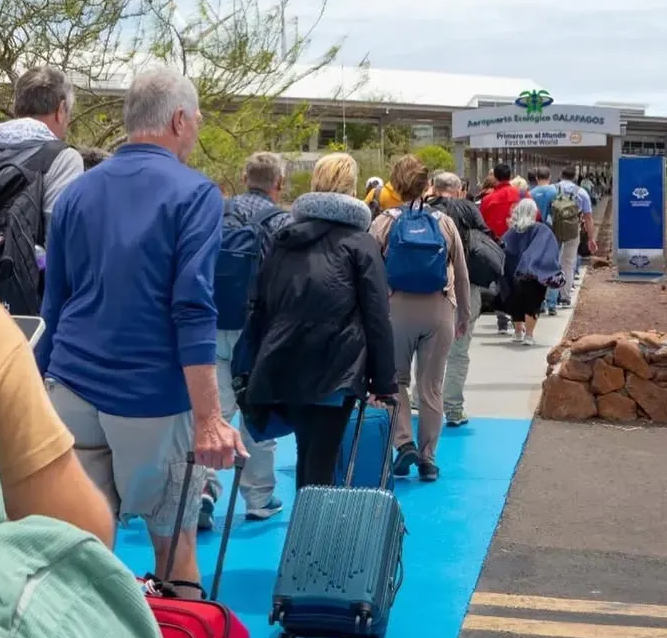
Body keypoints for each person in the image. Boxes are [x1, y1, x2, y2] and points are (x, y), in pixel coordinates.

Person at [37, 67, 245, 596]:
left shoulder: (76, 194)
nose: (195, 132)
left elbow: (53, 303)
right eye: (195, 122)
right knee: (173, 542)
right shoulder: (195, 193)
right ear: (178, 119)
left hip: (70, 387)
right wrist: (210, 419)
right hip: (151, 398)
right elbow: (193, 306)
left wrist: (40, 391)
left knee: (79, 546)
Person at [244, 153, 397, 489]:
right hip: (337, 367)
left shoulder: (286, 238)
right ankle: (317, 535)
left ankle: (306, 530)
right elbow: (377, 315)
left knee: (307, 452)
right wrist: (385, 381)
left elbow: (262, 304)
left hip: (286, 360)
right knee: (323, 459)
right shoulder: (360, 242)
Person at [0, 287, 115, 555]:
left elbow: (55, 298)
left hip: (71, 376)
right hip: (142, 386)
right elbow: (82, 538)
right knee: (174, 539)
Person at [198, 151, 291, 531]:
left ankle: (203, 489)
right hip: (256, 332)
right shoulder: (282, 222)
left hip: (210, 322)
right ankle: (258, 497)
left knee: (212, 413)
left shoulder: (216, 212)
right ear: (278, 183)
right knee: (257, 413)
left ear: (243, 176)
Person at [0, 66, 84, 314]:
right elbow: (63, 250)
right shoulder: (64, 159)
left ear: (16, 109)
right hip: (27, 322)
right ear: (61, 110)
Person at [370, 155, 470, 482]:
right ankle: (429, 458)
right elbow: (463, 274)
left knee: (396, 381)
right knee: (431, 387)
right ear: (427, 185)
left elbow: (368, 272)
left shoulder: (384, 221)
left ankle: (403, 443)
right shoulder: (443, 222)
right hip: (439, 308)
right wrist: (463, 315)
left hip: (395, 309)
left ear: (395, 184)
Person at [425, 171, 494, 427]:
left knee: (426, 349)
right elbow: (485, 239)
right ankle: (454, 409)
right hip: (465, 284)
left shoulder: (422, 209)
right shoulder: (467, 209)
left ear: (433, 187)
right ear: (460, 190)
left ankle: (423, 399)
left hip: (427, 288)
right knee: (459, 349)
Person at [500, 198, 563, 347]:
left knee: (516, 300)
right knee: (533, 303)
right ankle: (528, 335)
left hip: (513, 273)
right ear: (534, 213)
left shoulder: (511, 232)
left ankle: (517, 332)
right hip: (534, 274)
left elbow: (504, 250)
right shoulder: (542, 229)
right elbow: (550, 250)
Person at [479, 164, 521, 334]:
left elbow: (481, 223)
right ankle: (518, 320)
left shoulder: (488, 200)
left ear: (495, 177)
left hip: (494, 245)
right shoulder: (522, 196)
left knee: (499, 280)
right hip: (518, 244)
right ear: (510, 176)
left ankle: (502, 319)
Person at [556, 166, 597, 306]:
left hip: (553, 231)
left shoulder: (552, 189)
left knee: (552, 262)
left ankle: (550, 298)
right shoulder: (582, 193)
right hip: (573, 231)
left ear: (561, 175)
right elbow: (588, 217)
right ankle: (565, 296)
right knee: (568, 263)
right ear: (575, 177)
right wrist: (591, 238)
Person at [529, 167, 559, 316]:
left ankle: (540, 302)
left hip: (536, 233)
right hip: (553, 232)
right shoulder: (555, 192)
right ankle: (552, 303)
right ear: (550, 176)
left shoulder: (531, 193)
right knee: (553, 267)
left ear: (536, 178)